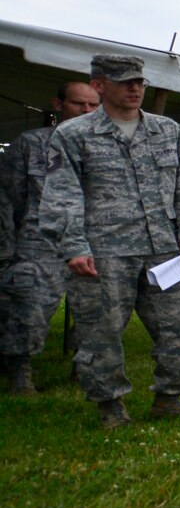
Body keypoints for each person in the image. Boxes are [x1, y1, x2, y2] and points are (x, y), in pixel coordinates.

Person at [37, 55, 180, 428]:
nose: (135, 88)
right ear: (99, 85)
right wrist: (74, 246)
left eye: (140, 82)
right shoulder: (73, 135)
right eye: (125, 82)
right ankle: (110, 407)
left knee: (179, 326)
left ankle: (170, 398)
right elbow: (63, 193)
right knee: (101, 333)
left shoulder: (168, 131)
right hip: (103, 252)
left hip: (166, 250)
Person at [1, 80, 101, 393]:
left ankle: (85, 366)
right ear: (58, 105)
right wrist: (6, 252)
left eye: (93, 105)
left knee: (100, 308)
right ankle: (19, 368)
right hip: (40, 243)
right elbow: (7, 200)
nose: (86, 111)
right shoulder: (30, 144)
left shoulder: (107, 149)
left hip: (93, 243)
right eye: (77, 104)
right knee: (28, 304)